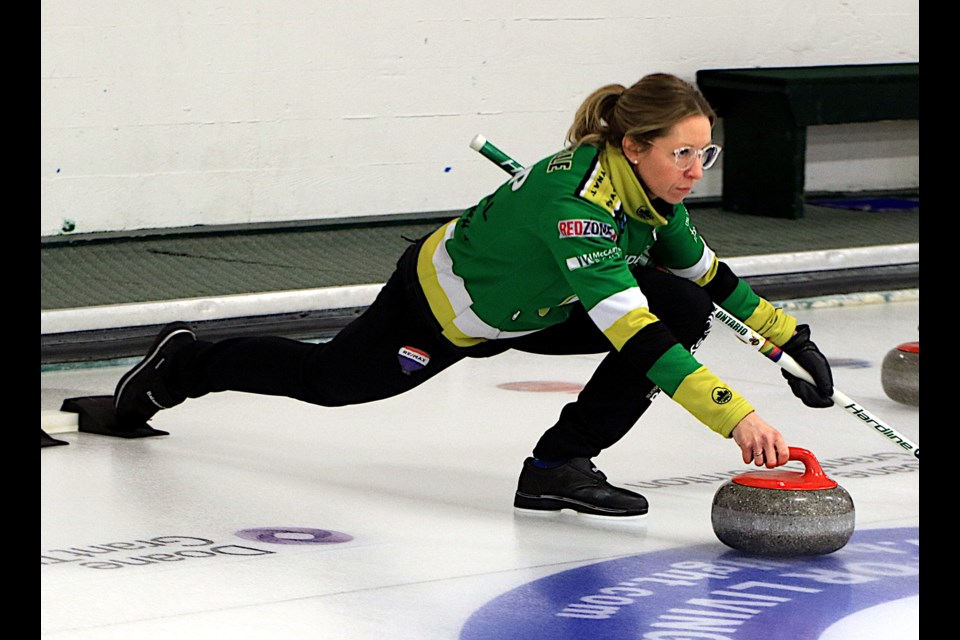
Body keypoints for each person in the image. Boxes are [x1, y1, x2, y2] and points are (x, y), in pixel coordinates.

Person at [112, 73, 834, 519]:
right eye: (683, 153)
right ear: (635, 147)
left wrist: (789, 340)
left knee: (685, 306)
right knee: (330, 382)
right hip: (447, 308)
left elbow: (708, 273)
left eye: (704, 154)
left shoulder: (650, 197)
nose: (696, 171)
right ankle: (184, 365)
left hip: (542, 304)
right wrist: (736, 418)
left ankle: (558, 467)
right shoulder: (576, 207)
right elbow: (633, 332)